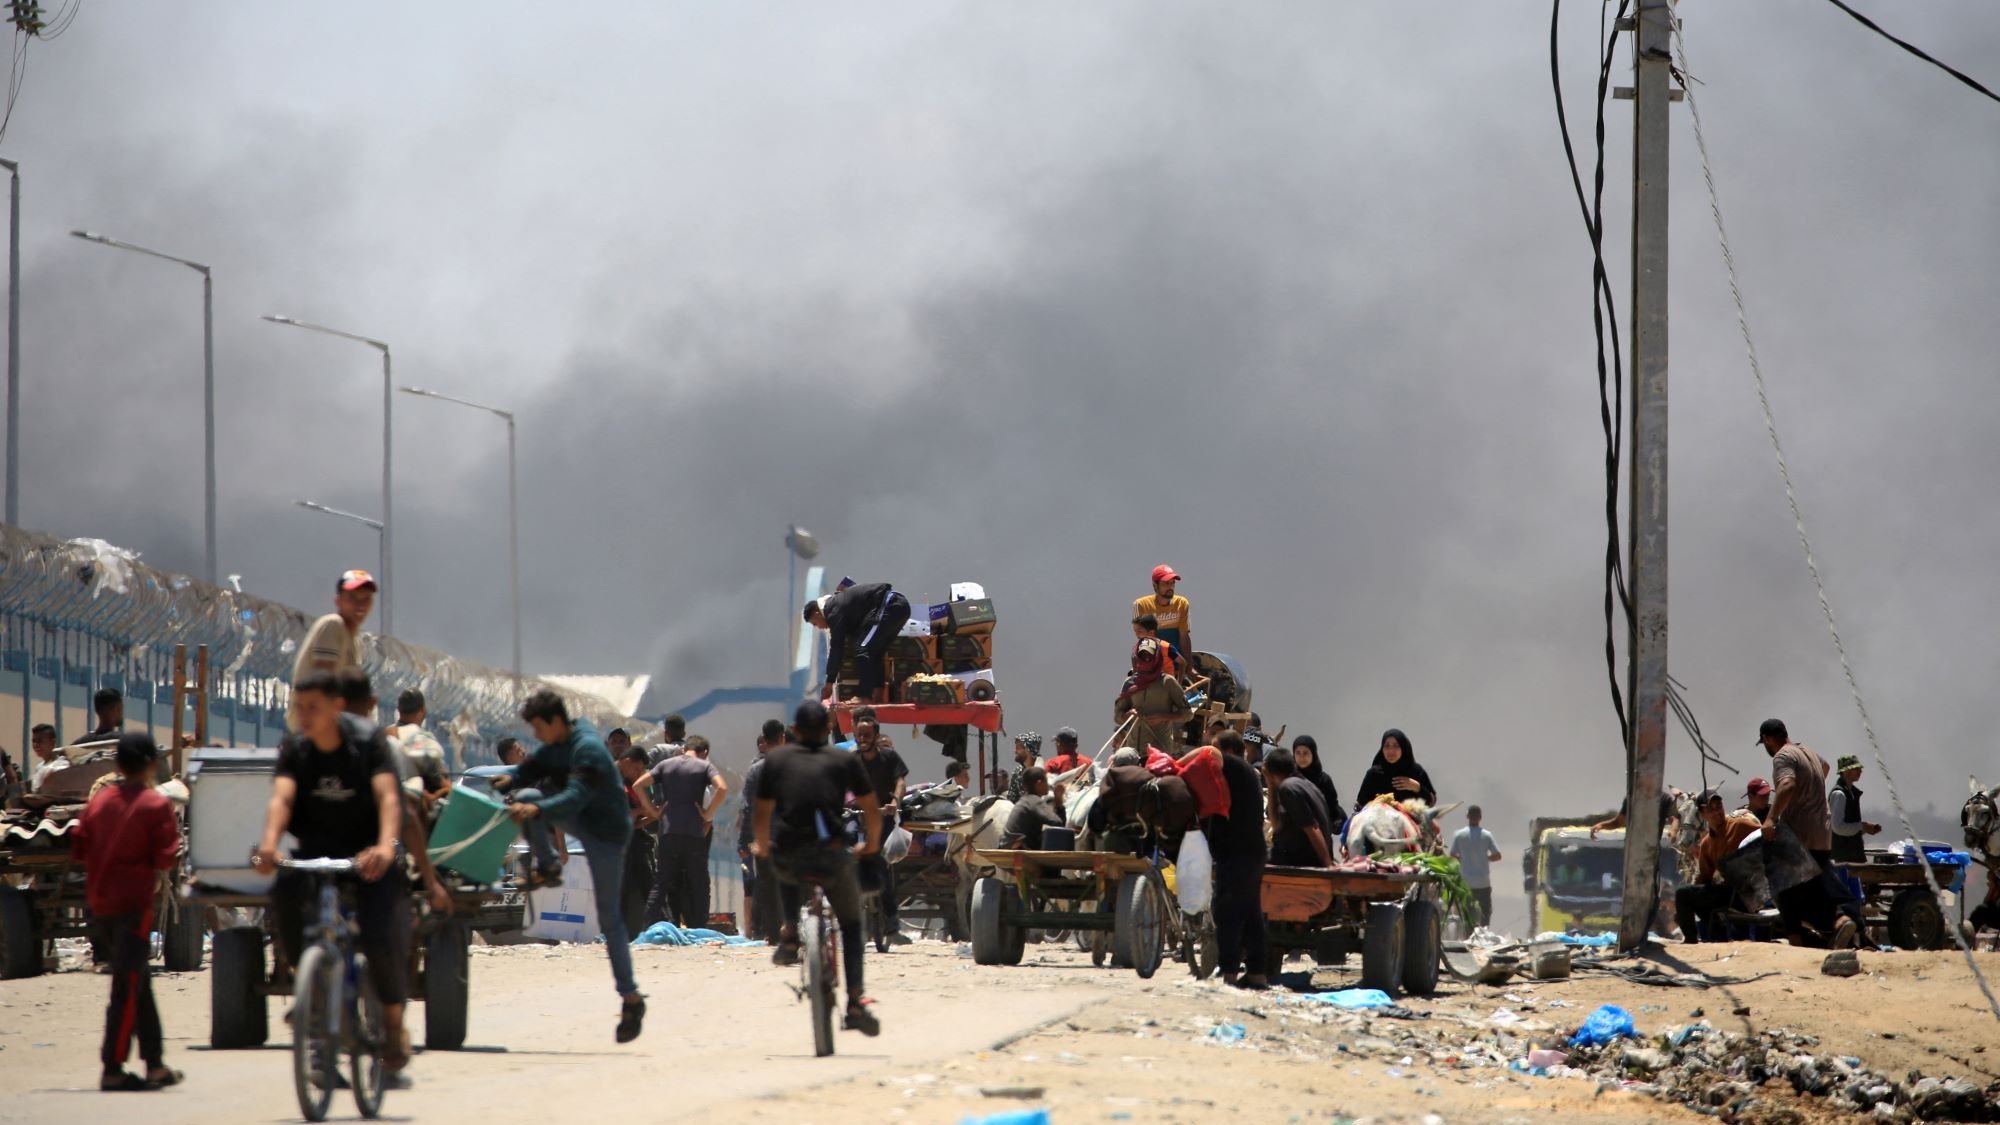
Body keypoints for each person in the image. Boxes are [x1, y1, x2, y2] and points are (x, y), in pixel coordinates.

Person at [253, 673, 415, 1072]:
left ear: (336, 707)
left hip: (367, 856)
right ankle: (306, 985)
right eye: (299, 708)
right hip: (316, 854)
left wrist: (385, 846)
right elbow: (282, 796)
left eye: (314, 708)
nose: (305, 716)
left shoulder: (367, 743)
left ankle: (393, 1026)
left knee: (379, 936)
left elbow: (388, 797)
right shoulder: (296, 747)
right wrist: (269, 843)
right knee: (285, 893)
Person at [500, 689, 647, 1041]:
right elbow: (534, 768)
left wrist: (537, 811)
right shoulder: (559, 742)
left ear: (554, 722)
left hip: (608, 836)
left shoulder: (589, 750)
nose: (535, 736)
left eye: (538, 727)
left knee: (609, 918)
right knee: (527, 794)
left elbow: (576, 796)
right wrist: (509, 782)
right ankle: (550, 865)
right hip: (581, 821)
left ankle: (630, 998)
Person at [750, 701, 883, 1036]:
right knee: (852, 923)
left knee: (784, 864)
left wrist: (762, 846)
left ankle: (790, 930)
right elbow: (870, 807)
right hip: (832, 852)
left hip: (789, 850)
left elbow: (762, 812)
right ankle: (854, 1000)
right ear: (827, 729)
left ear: (793, 730)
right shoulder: (843, 759)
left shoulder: (776, 760)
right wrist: (871, 845)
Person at [71, 732, 182, 1091]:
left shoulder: (100, 802)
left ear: (117, 765)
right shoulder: (155, 805)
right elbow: (167, 855)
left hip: (99, 905)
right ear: (152, 764)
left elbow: (78, 846)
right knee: (127, 985)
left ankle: (155, 1064)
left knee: (138, 981)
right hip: (133, 906)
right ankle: (113, 1067)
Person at [1757, 718, 1854, 946]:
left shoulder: (1783, 756)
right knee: (1812, 888)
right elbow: (1826, 767)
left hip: (1800, 835)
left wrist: (1771, 818)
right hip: (1822, 834)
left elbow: (1787, 785)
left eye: (1764, 744)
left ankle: (1797, 943)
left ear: (1767, 739)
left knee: (1785, 890)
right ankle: (1840, 921)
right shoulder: (1807, 751)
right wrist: (1811, 793)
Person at [1204, 730, 1269, 989]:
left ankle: (1229, 972)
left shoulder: (1235, 767)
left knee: (1227, 911)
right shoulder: (1247, 774)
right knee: (1252, 914)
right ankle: (1256, 973)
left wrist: (1177, 764)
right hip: (1251, 853)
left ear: (1227, 752)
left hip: (1238, 855)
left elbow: (1209, 754)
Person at [646, 734, 727, 929]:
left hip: (668, 832)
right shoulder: (704, 767)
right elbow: (722, 788)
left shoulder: (666, 765)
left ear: (684, 749)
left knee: (662, 883)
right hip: (693, 835)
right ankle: (699, 927)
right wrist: (707, 815)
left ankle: (645, 926)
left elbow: (638, 785)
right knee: (698, 883)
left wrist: (654, 811)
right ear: (704, 752)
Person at [289, 570, 375, 731]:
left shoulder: (353, 637)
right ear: (338, 601)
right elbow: (323, 680)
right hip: (315, 727)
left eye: (366, 599)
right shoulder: (333, 625)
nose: (360, 605)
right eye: (352, 598)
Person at [1673, 788, 1762, 943]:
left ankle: (1691, 941)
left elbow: (1766, 835)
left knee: (1683, 894)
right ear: (1702, 815)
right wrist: (1685, 907)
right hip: (1729, 894)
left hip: (1748, 892)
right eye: (1710, 809)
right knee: (1688, 896)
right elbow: (1705, 877)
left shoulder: (1740, 825)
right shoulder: (1707, 843)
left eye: (1718, 807)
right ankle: (1718, 937)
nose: (1716, 812)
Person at [805, 582, 914, 704]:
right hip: (901, 607)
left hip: (889, 604)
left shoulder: (833, 610)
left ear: (817, 613)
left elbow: (837, 647)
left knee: (862, 649)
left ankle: (864, 695)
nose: (819, 627)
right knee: (875, 651)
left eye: (815, 623)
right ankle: (878, 693)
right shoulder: (837, 604)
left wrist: (829, 683)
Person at [852, 718, 910, 942]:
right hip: (858, 816)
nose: (863, 739)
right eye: (859, 735)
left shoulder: (889, 757)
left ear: (876, 736)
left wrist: (895, 801)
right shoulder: (852, 760)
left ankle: (891, 923)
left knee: (880, 867)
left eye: (867, 735)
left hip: (882, 817)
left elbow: (901, 782)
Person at [738, 719, 787, 942]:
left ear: (764, 741)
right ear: (782, 738)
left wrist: (744, 841)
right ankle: (792, 927)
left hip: (764, 837)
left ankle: (772, 933)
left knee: (766, 885)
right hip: (790, 836)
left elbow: (748, 808)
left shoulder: (755, 770)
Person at [1113, 640, 1190, 756]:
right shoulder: (1130, 683)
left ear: (1158, 657)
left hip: (1159, 750)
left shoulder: (1167, 682)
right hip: (1133, 751)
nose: (1146, 659)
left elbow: (1188, 714)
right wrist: (1128, 715)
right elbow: (1118, 717)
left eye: (1150, 656)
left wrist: (1162, 717)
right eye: (1142, 656)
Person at [1264, 747, 1334, 868]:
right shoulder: (1306, 784)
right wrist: (1271, 785)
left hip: (1301, 860)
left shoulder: (1288, 788)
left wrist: (1328, 864)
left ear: (1270, 773)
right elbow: (1277, 826)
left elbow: (1312, 828)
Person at [388, 689, 452, 819]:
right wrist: (450, 788)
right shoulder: (420, 736)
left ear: (399, 710)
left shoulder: (384, 732)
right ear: (423, 710)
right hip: (410, 804)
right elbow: (433, 773)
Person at [1352, 729, 1436, 810]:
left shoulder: (1416, 771)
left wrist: (1417, 787)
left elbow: (1431, 802)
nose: (1391, 751)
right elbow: (1361, 804)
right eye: (1387, 746)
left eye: (1396, 746)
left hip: (1410, 822)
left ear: (1403, 748)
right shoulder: (1374, 774)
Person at [1447, 805, 1503, 926]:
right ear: (1480, 817)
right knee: (1485, 912)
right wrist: (1485, 858)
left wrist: (1463, 859)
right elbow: (1498, 855)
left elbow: (1452, 855)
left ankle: (1469, 935)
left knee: (1467, 913)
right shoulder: (1487, 835)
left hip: (1466, 882)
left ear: (1467, 817)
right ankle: (1484, 934)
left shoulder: (1459, 835)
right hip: (1483, 882)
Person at [1828, 755, 1882, 864]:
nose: (1860, 772)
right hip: (1844, 856)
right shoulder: (1839, 794)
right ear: (1846, 772)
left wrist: (1866, 829)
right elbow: (1837, 827)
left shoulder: (1850, 793)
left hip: (1851, 854)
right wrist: (1861, 826)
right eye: (1856, 769)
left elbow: (1848, 827)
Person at [1131, 565, 1191, 659]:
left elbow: (1184, 636)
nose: (1170, 587)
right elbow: (1142, 637)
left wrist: (1189, 665)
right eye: (1165, 583)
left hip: (1177, 657)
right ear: (1155, 585)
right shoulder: (1141, 604)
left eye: (1172, 583)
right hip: (1153, 658)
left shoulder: (1181, 603)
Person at [1000, 767, 1068, 848]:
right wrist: (1059, 801)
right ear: (1039, 783)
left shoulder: (1025, 800)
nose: (1048, 785)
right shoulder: (1034, 801)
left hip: (1008, 845)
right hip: (1018, 848)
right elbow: (1058, 823)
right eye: (1046, 781)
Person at [1290, 736, 1344, 837]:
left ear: (1313, 754)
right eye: (1298, 753)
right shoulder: (1289, 779)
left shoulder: (1324, 780)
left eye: (1305, 753)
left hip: (1321, 834)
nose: (1301, 757)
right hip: (1294, 836)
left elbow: (1332, 806)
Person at [1591, 789, 1680, 840]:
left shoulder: (1664, 798)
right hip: (1633, 847)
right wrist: (1601, 825)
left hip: (1652, 848)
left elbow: (1674, 818)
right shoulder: (1632, 798)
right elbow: (1618, 822)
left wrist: (1673, 831)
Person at [1003, 733, 1043, 802]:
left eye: (1018, 748)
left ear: (1027, 749)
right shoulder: (1017, 773)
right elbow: (1012, 802)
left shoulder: (1042, 772)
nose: (1015, 751)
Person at [26, 722, 64, 792]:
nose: (35, 745)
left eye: (40, 741)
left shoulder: (61, 765)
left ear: (52, 743)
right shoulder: (39, 767)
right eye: (34, 741)